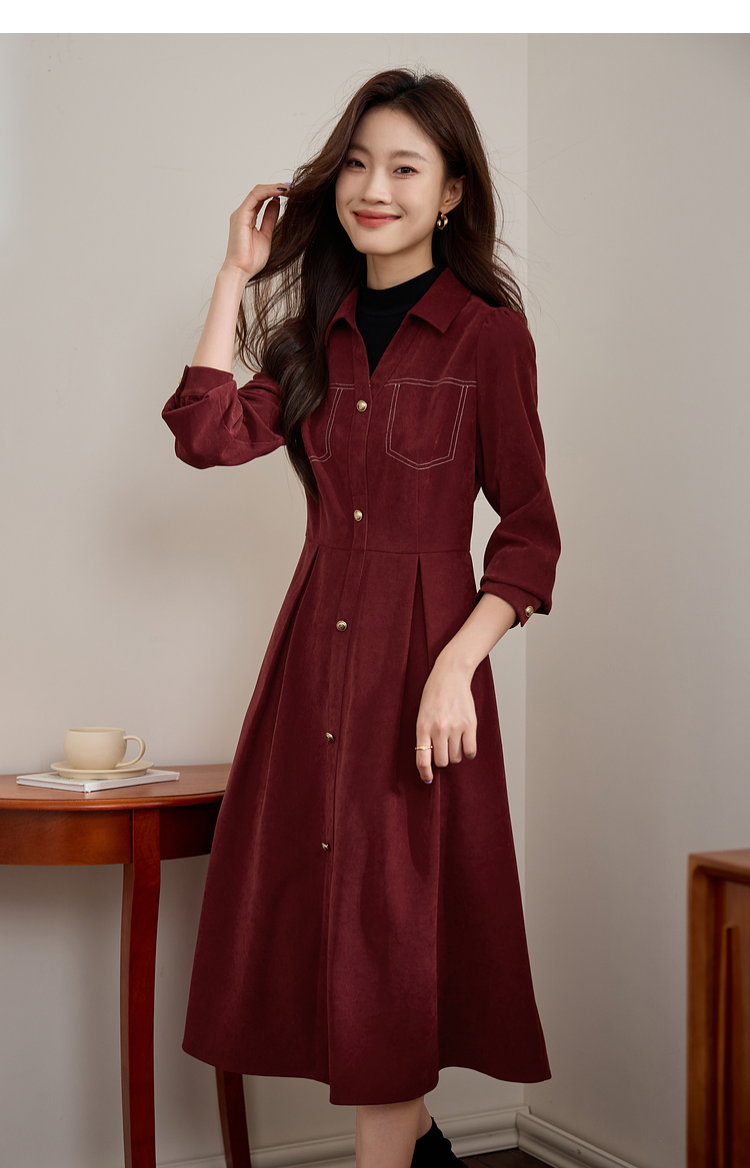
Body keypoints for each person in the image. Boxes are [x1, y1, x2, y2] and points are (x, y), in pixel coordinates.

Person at [163, 68, 560, 1168]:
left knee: (390, 930)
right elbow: (203, 433)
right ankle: (419, 1148)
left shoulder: (488, 338)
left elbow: (530, 533)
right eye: (357, 163)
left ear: (451, 194)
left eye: (404, 168)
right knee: (330, 918)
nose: (372, 188)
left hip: (424, 674)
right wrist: (235, 275)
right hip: (312, 670)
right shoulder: (311, 337)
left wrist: (457, 665)